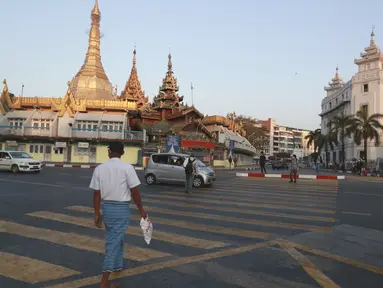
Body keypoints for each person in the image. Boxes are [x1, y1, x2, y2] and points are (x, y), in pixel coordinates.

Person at [89, 142, 147, 288]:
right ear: (122, 153)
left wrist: (97, 214)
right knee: (113, 243)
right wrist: (141, 210)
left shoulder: (100, 169)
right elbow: (135, 192)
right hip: (121, 210)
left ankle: (117, 266)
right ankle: (104, 282)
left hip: (107, 209)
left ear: (109, 152)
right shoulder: (127, 168)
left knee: (116, 238)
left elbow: (96, 194)